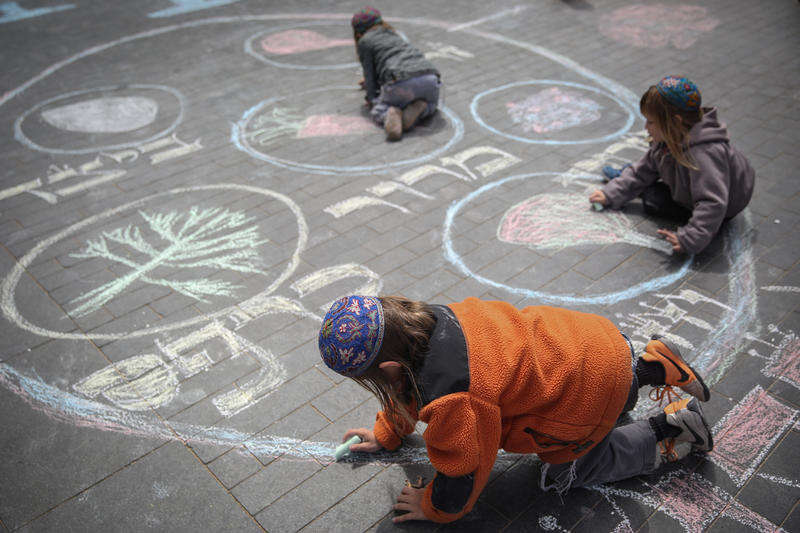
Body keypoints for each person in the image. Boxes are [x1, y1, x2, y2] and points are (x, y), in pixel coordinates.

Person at [318, 295, 714, 524]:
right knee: (577, 385)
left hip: (586, 388)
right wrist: (386, 434)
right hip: (596, 344)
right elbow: (404, 391)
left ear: (388, 370)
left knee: (565, 470)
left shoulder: (452, 395)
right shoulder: (427, 323)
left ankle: (675, 426)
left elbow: (466, 468)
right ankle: (653, 364)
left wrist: (434, 507)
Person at [589, 76, 755, 255]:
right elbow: (643, 170)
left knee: (653, 199)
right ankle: (624, 179)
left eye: (651, 122)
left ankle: (627, 179)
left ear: (675, 122)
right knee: (643, 173)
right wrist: (611, 194)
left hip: (723, 206)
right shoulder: (670, 136)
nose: (646, 127)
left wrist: (690, 238)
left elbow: (712, 203)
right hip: (692, 185)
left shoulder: (704, 155)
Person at [351, 7, 441, 141]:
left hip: (399, 81)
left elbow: (370, 75)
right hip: (429, 76)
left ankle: (389, 114)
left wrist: (371, 99)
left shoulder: (365, 42)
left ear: (358, 32)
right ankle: (421, 108)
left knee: (378, 110)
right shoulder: (392, 33)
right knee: (433, 104)